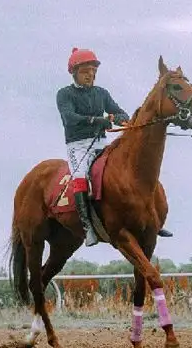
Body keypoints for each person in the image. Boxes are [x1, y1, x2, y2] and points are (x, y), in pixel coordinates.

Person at [56, 47, 171, 246]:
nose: (90, 75)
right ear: (74, 73)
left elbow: (119, 112)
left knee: (131, 170)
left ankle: (152, 218)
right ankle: (88, 227)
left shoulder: (101, 93)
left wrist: (119, 118)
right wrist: (96, 120)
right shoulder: (65, 94)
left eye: (93, 71)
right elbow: (69, 118)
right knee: (81, 177)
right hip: (78, 146)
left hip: (101, 143)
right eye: (85, 71)